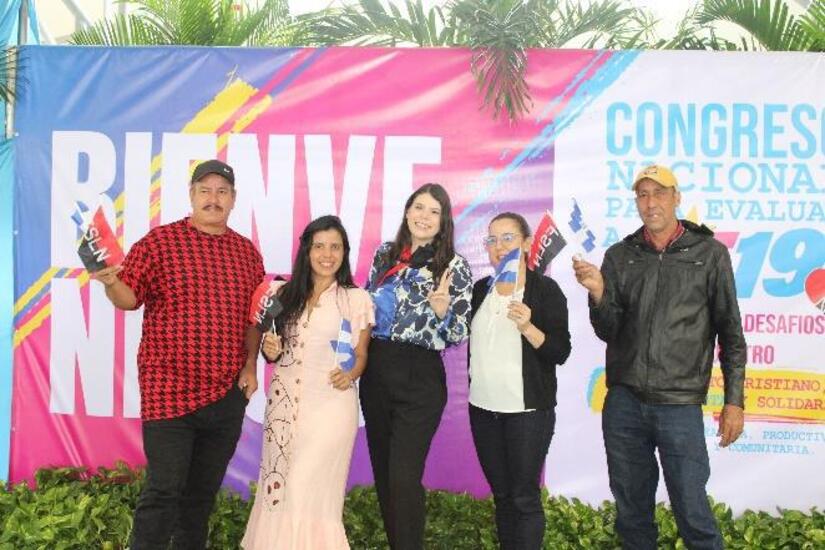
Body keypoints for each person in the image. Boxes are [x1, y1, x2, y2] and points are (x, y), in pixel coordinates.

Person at [573, 164, 746, 550]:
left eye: (659, 193)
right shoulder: (620, 255)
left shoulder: (710, 254)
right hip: (624, 403)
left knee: (693, 512)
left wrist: (734, 401)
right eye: (643, 195)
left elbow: (732, 335)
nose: (651, 203)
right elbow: (608, 330)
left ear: (676, 197)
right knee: (632, 515)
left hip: (679, 405)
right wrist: (599, 292)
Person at [93, 159, 265, 549]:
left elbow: (254, 318)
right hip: (168, 392)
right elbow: (129, 297)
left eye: (222, 191)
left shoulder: (247, 254)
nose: (213, 198)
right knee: (163, 491)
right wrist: (110, 282)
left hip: (226, 395)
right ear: (191, 195)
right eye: (205, 190)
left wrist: (250, 366)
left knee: (199, 499)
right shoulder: (159, 243)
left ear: (233, 199)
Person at [241, 215, 374, 550]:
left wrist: (351, 374)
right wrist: (270, 350)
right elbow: (269, 344)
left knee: (309, 492)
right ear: (307, 251)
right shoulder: (281, 293)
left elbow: (361, 355)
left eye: (335, 247)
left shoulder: (356, 299)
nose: (327, 254)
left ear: (344, 252)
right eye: (319, 246)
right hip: (283, 408)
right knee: (279, 492)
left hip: (331, 408)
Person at [360, 183, 472, 550]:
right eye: (419, 207)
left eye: (434, 211)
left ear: (443, 222)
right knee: (385, 475)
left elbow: (458, 333)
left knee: (404, 478)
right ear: (408, 211)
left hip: (420, 376)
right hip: (377, 370)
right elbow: (365, 308)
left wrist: (442, 312)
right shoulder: (385, 255)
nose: (424, 216)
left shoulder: (454, 266)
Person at [468, 212, 571, 550]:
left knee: (524, 497)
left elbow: (560, 351)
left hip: (527, 412)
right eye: (492, 240)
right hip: (483, 409)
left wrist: (528, 327)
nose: (499, 247)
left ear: (527, 243)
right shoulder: (481, 289)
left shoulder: (545, 290)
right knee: (502, 496)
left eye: (508, 238)